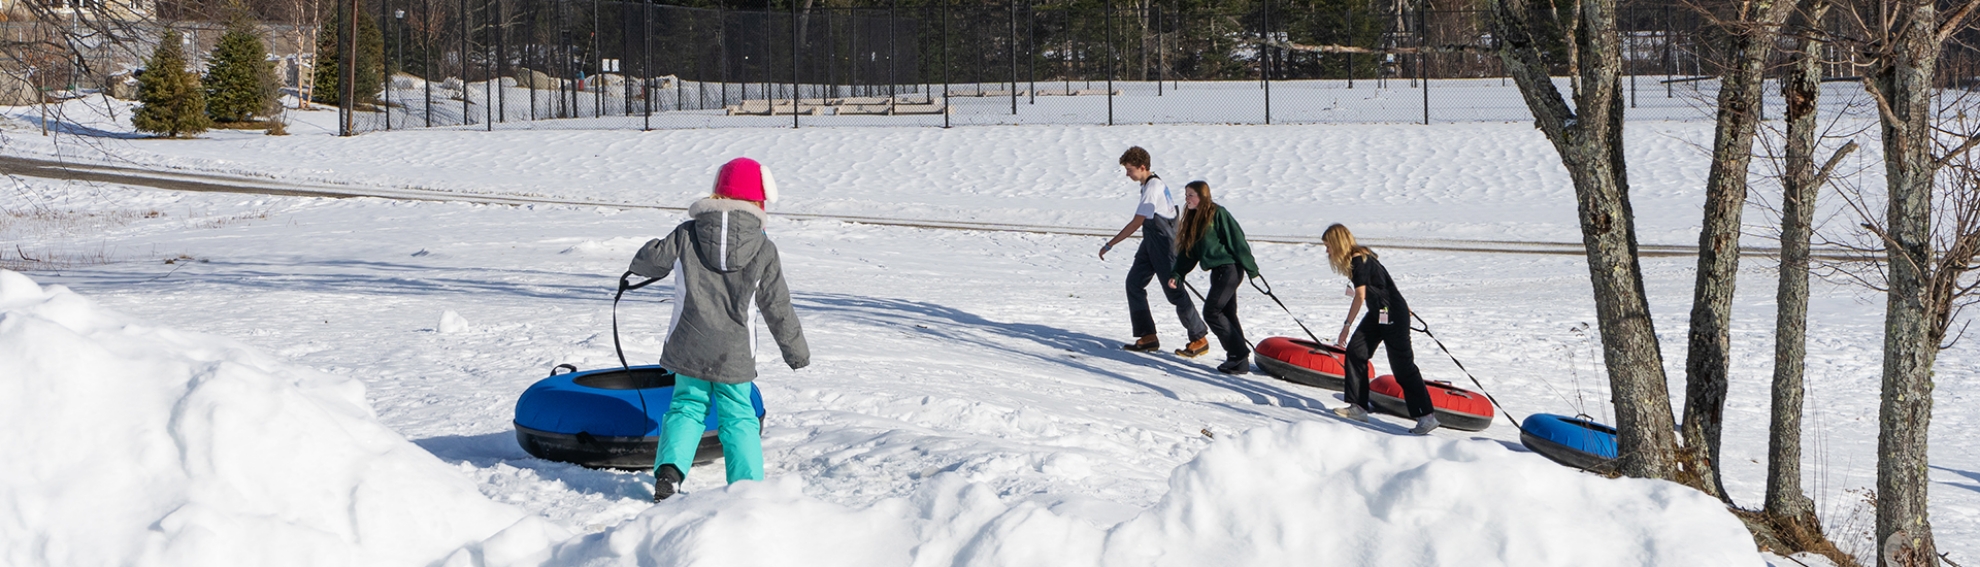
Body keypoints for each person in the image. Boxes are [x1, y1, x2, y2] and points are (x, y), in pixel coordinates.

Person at [628, 157, 809, 501]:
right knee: (738, 416)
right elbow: (778, 306)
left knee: (686, 406)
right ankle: (747, 491)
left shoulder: (687, 233)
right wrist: (795, 351)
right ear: (758, 202)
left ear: (716, 194)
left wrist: (641, 259)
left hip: (687, 344)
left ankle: (670, 472)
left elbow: (654, 261)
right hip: (735, 353)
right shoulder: (763, 248)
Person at [1323, 223, 1439, 435]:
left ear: (1338, 243)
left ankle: (1426, 416)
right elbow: (1383, 283)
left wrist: (1346, 327)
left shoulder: (1360, 259)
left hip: (1391, 313)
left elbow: (1360, 296)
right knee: (1357, 351)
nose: (1327, 251)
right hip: (1380, 313)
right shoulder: (1360, 259)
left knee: (1402, 367)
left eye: (1328, 245)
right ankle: (1358, 407)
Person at [1098, 146, 1208, 356]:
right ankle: (1147, 336)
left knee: (1174, 291)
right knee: (1134, 283)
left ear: (1142, 167)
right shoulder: (1150, 184)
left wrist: (1110, 243)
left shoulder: (1153, 188)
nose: (1127, 174)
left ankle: (1199, 337)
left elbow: (1136, 222)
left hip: (1163, 244)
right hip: (1150, 242)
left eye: (1130, 169)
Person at [1167, 181, 1258, 373]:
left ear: (1202, 196)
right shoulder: (1193, 218)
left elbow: (1237, 240)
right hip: (1217, 272)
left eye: (1191, 195)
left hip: (1230, 269)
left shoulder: (1217, 213)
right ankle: (1238, 361)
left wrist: (1251, 268)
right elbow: (1188, 252)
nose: (1187, 199)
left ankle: (1238, 353)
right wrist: (1178, 273)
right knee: (1227, 313)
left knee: (1212, 311)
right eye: (1186, 195)